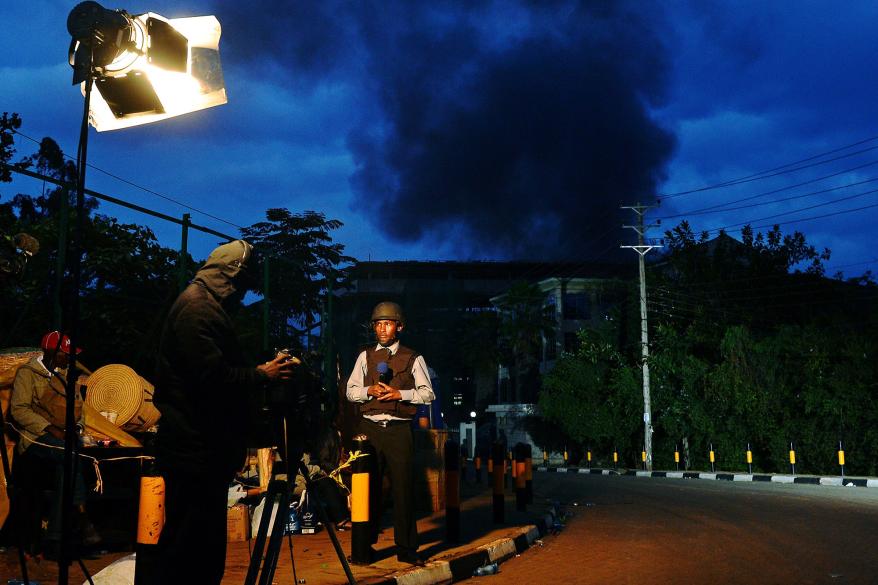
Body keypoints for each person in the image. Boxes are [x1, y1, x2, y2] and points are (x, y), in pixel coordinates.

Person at [142, 240, 294, 584]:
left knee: (197, 541)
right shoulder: (198, 310)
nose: (241, 295)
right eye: (241, 285)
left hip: (199, 446)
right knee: (193, 544)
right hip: (194, 447)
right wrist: (261, 375)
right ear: (231, 275)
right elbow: (210, 378)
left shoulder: (202, 304)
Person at [346, 301, 434, 566]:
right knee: (365, 490)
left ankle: (407, 551)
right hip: (369, 430)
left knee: (403, 490)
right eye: (378, 324)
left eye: (388, 323)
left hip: (398, 430)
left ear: (399, 327)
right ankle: (362, 550)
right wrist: (367, 391)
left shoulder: (413, 357)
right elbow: (350, 391)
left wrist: (400, 394)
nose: (382, 328)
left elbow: (428, 394)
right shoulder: (365, 356)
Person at [9, 330, 90, 557]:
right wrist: (49, 428)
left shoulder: (65, 375)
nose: (69, 358)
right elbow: (18, 410)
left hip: (62, 441)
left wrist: (77, 428)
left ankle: (55, 539)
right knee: (70, 456)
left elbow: (79, 409)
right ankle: (82, 516)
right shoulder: (28, 374)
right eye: (65, 354)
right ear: (51, 352)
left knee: (69, 465)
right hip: (34, 438)